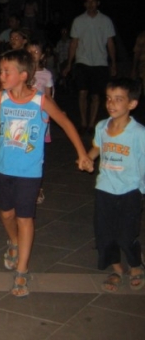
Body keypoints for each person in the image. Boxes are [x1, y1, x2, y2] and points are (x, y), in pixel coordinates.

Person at [0, 49, 90, 298]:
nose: (0, 75)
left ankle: (22, 271)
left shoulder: (40, 100)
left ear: (23, 75)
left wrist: (82, 153)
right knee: (6, 214)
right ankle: (13, 241)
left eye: (6, 71)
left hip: (29, 172)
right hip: (4, 168)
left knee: (25, 218)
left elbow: (65, 122)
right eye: (0, 70)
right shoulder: (1, 97)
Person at [80, 78, 145, 292]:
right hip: (104, 188)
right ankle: (117, 269)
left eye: (118, 99)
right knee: (105, 233)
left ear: (132, 104)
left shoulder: (138, 133)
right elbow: (97, 148)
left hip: (130, 191)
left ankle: (135, 265)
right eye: (109, 99)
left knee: (126, 234)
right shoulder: (101, 126)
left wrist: (141, 190)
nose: (111, 104)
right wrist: (87, 159)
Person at [63, 0, 117, 133]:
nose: (91, 4)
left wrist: (113, 63)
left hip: (100, 62)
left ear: (98, 3)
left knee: (95, 95)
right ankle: (83, 122)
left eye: (93, 1)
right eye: (88, 1)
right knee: (82, 92)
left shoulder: (105, 20)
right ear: (85, 4)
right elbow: (74, 43)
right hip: (83, 61)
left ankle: (92, 123)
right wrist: (69, 63)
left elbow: (110, 43)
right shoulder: (79, 21)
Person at [27, 41, 54, 205]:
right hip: (24, 119)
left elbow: (49, 97)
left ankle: (38, 187)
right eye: (29, 51)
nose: (32, 54)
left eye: (36, 51)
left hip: (40, 119)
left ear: (42, 55)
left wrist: (53, 114)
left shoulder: (46, 75)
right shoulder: (22, 73)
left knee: (38, 156)